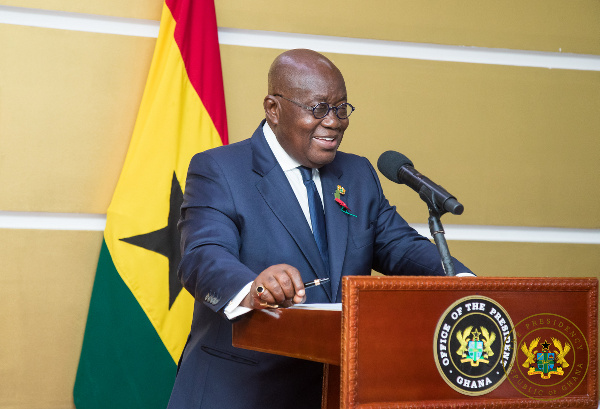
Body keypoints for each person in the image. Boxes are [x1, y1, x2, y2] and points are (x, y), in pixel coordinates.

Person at [167, 49, 473, 409]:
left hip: (333, 392)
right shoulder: (220, 169)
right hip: (242, 391)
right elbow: (202, 256)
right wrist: (253, 288)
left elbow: (402, 247)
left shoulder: (357, 175)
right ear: (273, 108)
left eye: (341, 108)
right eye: (319, 108)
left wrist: (470, 284)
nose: (335, 121)